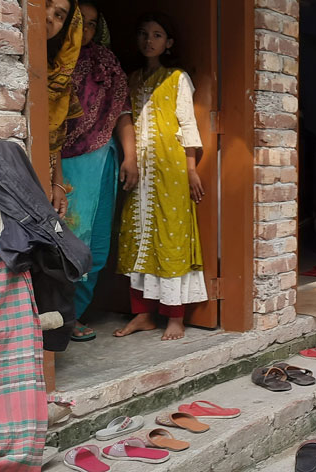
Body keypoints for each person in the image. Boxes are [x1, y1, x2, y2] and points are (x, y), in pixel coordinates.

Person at [114, 12, 206, 341]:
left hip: (171, 170)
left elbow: (187, 124)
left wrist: (191, 168)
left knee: (171, 237)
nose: (148, 40)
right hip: (138, 170)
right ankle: (143, 315)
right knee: (138, 237)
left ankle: (175, 318)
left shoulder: (176, 77)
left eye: (156, 35)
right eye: (143, 34)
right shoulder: (130, 79)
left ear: (168, 43)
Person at [61, 0, 139, 342]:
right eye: (81, 22)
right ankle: (57, 318)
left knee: (97, 242)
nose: (86, 30)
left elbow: (122, 111)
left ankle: (74, 314)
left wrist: (130, 156)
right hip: (64, 162)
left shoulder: (105, 63)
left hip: (102, 158)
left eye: (93, 24)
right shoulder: (56, 58)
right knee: (67, 238)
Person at [47, 0, 83, 219]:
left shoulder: (60, 79)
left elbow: (55, 138)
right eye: (45, 4)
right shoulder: (11, 59)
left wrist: (58, 184)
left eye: (60, 15)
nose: (49, 17)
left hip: (42, 173)